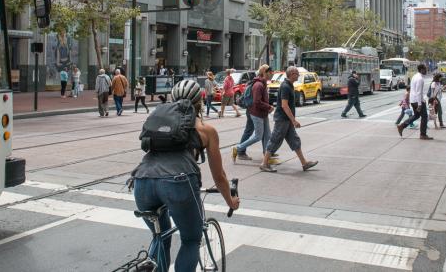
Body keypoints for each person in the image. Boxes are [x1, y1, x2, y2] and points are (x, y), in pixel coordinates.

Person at [131, 80, 239, 271]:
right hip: (178, 183)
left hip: (142, 181)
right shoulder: (206, 130)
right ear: (199, 103)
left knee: (160, 236)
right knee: (190, 240)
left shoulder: (159, 121)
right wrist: (230, 201)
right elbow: (219, 176)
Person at [260, 66, 318, 173]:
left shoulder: (290, 85)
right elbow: (284, 105)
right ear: (291, 74)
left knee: (294, 140)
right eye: (296, 73)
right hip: (282, 119)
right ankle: (264, 164)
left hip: (287, 120)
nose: (298, 75)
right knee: (275, 140)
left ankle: (304, 163)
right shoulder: (286, 86)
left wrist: (292, 120)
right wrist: (294, 120)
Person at [232, 65, 273, 162]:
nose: (272, 73)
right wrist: (269, 107)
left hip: (261, 112)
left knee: (267, 135)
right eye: (270, 71)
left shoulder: (262, 83)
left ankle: (267, 156)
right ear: (264, 73)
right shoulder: (258, 85)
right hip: (256, 112)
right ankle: (239, 149)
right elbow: (257, 101)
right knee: (257, 135)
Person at [397, 64, 432, 140]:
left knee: (416, 116)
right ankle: (423, 134)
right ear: (422, 69)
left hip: (413, 100)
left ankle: (402, 126)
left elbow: (414, 90)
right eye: (425, 69)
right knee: (425, 117)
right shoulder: (420, 79)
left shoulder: (415, 76)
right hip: (417, 101)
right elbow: (418, 92)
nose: (427, 70)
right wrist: (420, 104)